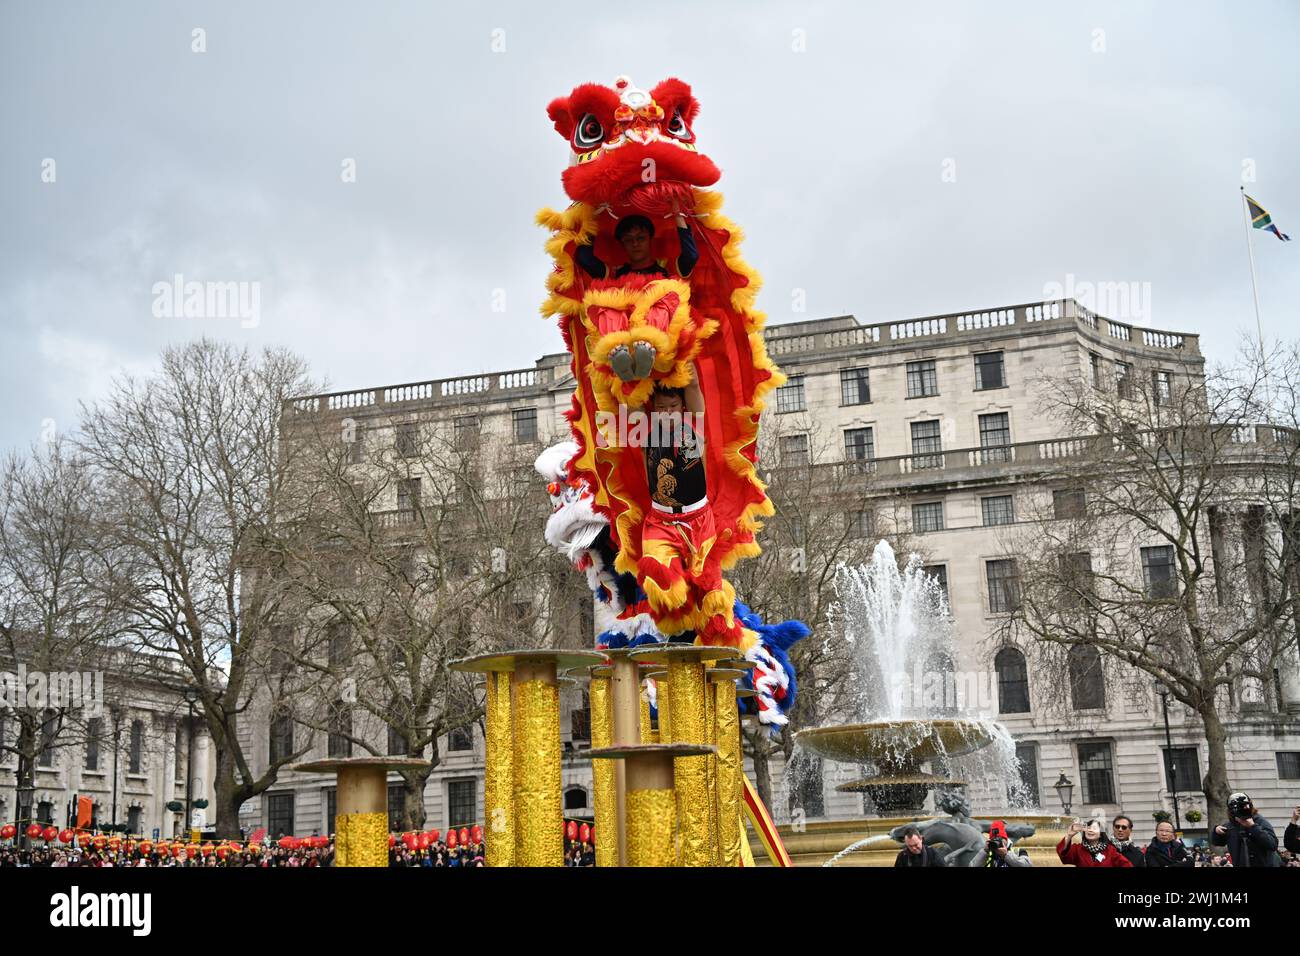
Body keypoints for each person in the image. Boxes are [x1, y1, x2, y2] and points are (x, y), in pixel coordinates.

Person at [576, 210, 697, 281]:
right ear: (622, 245)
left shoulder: (668, 270)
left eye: (641, 238)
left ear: (650, 239)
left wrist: (678, 215)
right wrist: (591, 216)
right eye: (628, 240)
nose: (635, 243)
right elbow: (584, 258)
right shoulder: (614, 275)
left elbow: (691, 256)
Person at [1211, 792, 1281, 867]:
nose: (1244, 809)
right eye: (1239, 807)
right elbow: (1217, 842)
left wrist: (1253, 826)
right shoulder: (1231, 825)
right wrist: (1216, 832)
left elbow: (1272, 844)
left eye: (1245, 805)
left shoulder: (1259, 821)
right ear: (1231, 810)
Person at [1056, 820, 1133, 867]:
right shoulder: (1078, 849)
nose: (1090, 830)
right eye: (1088, 828)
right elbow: (1064, 857)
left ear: (1100, 834)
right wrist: (1069, 835)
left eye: (1094, 828)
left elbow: (1127, 865)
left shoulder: (1110, 851)